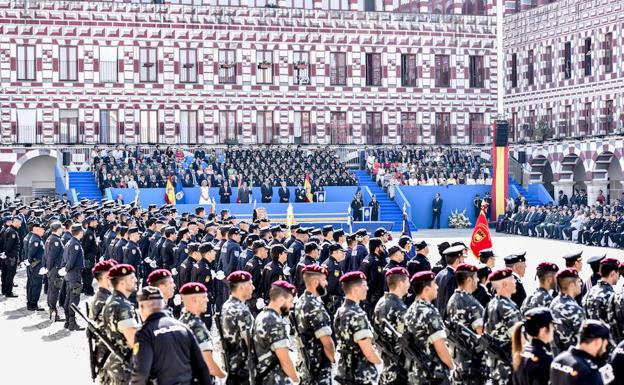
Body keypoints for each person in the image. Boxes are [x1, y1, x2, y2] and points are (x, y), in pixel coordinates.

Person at [131, 286, 213, 385]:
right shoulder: (183, 327)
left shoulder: (145, 333)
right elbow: (201, 366)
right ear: (162, 305)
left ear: (141, 307)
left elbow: (141, 373)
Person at [404, 270, 454, 384]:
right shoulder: (430, 312)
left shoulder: (410, 310)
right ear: (426, 289)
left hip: (416, 372)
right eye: (434, 284)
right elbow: (440, 347)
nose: (437, 287)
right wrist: (452, 366)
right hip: (433, 374)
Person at [333, 271, 383, 385]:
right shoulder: (357, 314)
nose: (367, 288)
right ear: (355, 290)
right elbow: (368, 351)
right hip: (361, 372)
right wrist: (380, 364)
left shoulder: (341, 311)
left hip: (344, 369)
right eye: (364, 285)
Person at [293, 265, 335, 385]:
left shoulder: (301, 301)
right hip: (318, 364)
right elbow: (326, 340)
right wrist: (332, 358)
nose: (326, 283)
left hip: (306, 362)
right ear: (315, 282)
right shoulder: (314, 306)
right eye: (324, 280)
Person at [253, 281, 300, 385]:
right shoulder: (274, 322)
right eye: (290, 301)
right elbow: (285, 360)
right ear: (281, 300)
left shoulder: (262, 316)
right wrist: (296, 380)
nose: (291, 306)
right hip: (274, 379)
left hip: (263, 376)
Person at [446, 263, 486, 385]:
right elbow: (483, 334)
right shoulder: (472, 303)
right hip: (472, 363)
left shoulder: (452, 299)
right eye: (476, 277)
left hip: (458, 359)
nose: (478, 280)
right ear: (469, 280)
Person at [101, 264, 140, 384]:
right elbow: (134, 341)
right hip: (124, 367)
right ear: (122, 283)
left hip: (115, 364)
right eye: (132, 278)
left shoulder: (112, 300)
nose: (136, 280)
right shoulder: (123, 306)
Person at [179, 282, 226, 380]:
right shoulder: (196, 326)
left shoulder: (181, 321)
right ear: (194, 300)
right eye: (204, 297)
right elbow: (209, 366)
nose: (207, 300)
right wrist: (224, 376)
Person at [484, 268, 522, 385]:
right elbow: (519, 338)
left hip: (495, 365)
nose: (515, 282)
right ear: (505, 284)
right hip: (508, 367)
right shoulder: (507, 308)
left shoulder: (491, 304)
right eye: (513, 279)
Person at [373, 267, 410, 385]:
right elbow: (407, 338)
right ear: (400, 283)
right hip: (398, 366)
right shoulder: (398, 307)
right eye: (407, 281)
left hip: (387, 362)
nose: (409, 285)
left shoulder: (382, 302)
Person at [549, 320, 614, 385]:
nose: (605, 350)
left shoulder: (558, 360)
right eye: (605, 345)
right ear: (598, 342)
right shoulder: (589, 373)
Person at [220, 271, 254, 385]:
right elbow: (249, 341)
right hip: (242, 366)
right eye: (250, 284)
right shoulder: (241, 310)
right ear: (241, 287)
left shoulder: (227, 305)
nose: (253, 288)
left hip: (231, 363)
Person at [88, 259, 118, 385]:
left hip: (107, 351)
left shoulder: (104, 297)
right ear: (106, 277)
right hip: (107, 353)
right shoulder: (103, 300)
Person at [511, 307, 557, 385]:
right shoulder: (544, 359)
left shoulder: (520, 353)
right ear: (544, 329)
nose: (554, 329)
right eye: (552, 325)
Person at [61, 223, 86, 331]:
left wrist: (64, 269)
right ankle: (72, 322)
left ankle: (67, 321)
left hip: (69, 274)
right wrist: (66, 269)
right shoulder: (75, 244)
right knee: (74, 298)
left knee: (69, 296)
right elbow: (71, 260)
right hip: (74, 273)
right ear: (80, 232)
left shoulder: (69, 242)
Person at [583, 257, 619, 325]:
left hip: (590, 334)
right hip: (606, 334)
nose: (618, 276)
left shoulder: (589, 292)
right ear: (613, 273)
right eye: (618, 273)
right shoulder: (611, 296)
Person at [433, 244, 464, 318]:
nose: (463, 260)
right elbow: (451, 303)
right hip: (447, 319)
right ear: (457, 260)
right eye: (462, 258)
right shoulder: (453, 277)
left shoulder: (440, 274)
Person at [45, 221, 65, 321]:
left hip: (52, 269)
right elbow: (51, 257)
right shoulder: (55, 240)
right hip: (55, 269)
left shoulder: (50, 238)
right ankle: (53, 312)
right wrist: (50, 268)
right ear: (57, 229)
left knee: (51, 290)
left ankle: (51, 309)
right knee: (54, 291)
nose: (62, 230)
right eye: (61, 228)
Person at [25, 221, 46, 311]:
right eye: (42, 230)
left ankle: (31, 303)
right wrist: (30, 263)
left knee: (32, 284)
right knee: (36, 285)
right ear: (37, 230)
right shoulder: (36, 240)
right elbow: (31, 254)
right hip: (36, 266)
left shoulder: (35, 238)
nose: (43, 231)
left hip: (35, 266)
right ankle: (33, 304)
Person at [0, 216, 22, 298]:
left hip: (7, 256)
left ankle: (4, 290)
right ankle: (8, 292)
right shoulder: (13, 232)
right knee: (10, 275)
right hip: (11, 257)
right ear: (15, 222)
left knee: (5, 274)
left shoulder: (8, 229)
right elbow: (9, 245)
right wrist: (5, 253)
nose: (20, 225)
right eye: (19, 223)